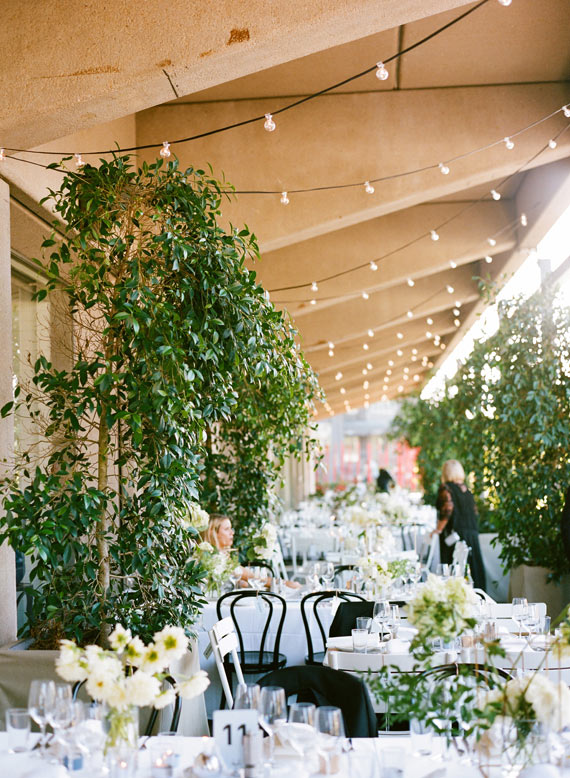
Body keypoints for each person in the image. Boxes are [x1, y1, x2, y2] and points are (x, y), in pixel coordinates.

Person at [201, 514, 300, 589]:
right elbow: (256, 578)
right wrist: (287, 584)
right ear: (212, 533)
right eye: (227, 529)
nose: (232, 533)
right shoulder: (217, 559)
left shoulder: (220, 556)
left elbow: (244, 580)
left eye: (231, 528)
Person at [434, 459, 486, 591]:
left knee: (455, 568)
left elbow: (447, 510)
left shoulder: (446, 488)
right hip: (471, 534)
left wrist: (438, 529)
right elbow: (474, 511)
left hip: (455, 535)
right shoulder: (466, 489)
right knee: (473, 568)